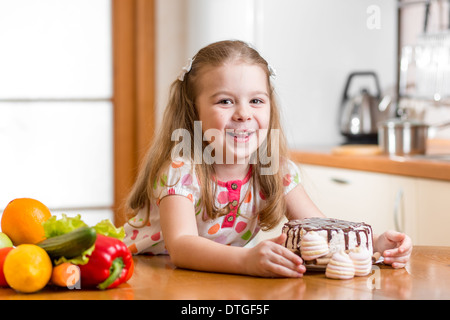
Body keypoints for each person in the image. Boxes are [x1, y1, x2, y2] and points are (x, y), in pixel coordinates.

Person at [122, 40, 412, 278]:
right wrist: (246, 261)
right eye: (225, 101)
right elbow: (182, 247)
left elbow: (320, 231)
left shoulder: (276, 171)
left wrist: (371, 247)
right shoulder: (181, 171)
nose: (244, 114)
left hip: (209, 280)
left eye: (256, 101)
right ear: (193, 111)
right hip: (149, 276)